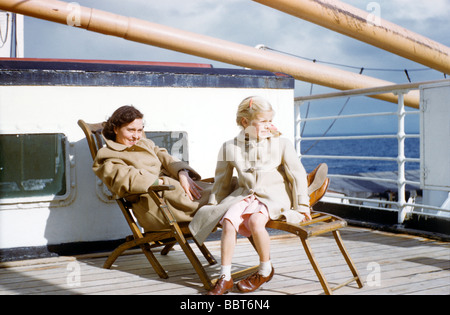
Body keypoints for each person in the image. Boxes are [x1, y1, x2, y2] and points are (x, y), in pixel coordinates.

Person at [189, 96, 327, 295]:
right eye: (263, 121)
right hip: (246, 195)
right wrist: (213, 205)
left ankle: (265, 270)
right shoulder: (230, 147)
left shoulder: (282, 144)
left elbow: (297, 177)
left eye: (270, 120)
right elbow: (221, 182)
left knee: (255, 222)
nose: (269, 125)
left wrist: (303, 206)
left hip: (275, 196)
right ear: (245, 122)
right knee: (228, 221)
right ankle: (225, 277)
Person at [92, 105, 211, 231]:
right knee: (222, 198)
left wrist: (182, 173)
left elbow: (164, 156)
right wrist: (162, 182)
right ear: (116, 129)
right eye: (131, 130)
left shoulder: (144, 143)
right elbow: (126, 178)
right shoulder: (107, 155)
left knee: (228, 187)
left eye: (139, 130)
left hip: (176, 196)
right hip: (160, 208)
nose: (136, 136)